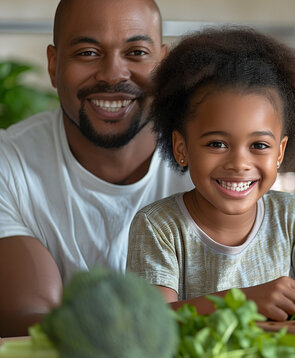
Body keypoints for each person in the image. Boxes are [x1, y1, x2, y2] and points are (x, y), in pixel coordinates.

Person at [0, 0, 192, 336]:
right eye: (88, 52)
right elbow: (26, 318)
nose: (112, 74)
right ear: (53, 64)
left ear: (162, 63)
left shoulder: (212, 159)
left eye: (136, 53)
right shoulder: (10, 163)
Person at [126, 26, 295, 321]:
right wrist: (241, 301)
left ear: (279, 153)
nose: (239, 163)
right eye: (217, 143)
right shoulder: (159, 226)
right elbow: (151, 320)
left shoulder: (293, 216)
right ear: (181, 147)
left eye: (259, 145)